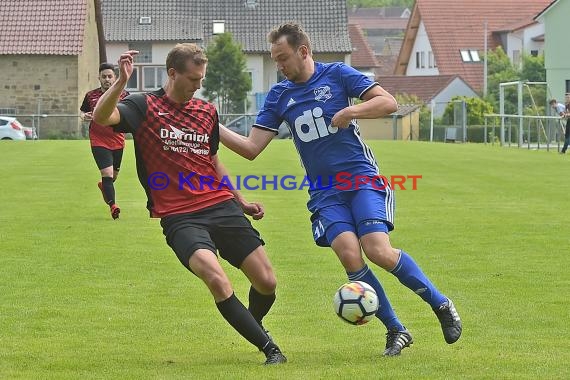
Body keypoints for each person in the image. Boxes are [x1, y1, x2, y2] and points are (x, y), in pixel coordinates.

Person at [219, 22, 462, 357]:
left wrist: (352, 110)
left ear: (304, 51)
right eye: (275, 60)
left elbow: (388, 103)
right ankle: (396, 330)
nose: (279, 66)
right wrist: (210, 123)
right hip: (325, 193)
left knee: (377, 250)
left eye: (283, 58)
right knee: (349, 253)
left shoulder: (338, 74)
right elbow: (250, 147)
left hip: (361, 180)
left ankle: (441, 305)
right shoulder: (279, 95)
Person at [92, 44, 287, 365]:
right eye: (193, 79)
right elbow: (102, 117)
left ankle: (252, 327)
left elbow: (212, 161)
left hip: (220, 205)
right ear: (172, 73)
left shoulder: (206, 112)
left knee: (266, 282)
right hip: (179, 217)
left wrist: (241, 202)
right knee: (216, 277)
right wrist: (120, 82)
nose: (198, 86)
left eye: (201, 79)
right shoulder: (144, 106)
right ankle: (271, 350)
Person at [80, 63, 130, 219]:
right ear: (99, 78)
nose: (107, 79)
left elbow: (129, 114)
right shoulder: (91, 96)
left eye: (110, 76)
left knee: (112, 177)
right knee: (107, 173)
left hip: (117, 139)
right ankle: (113, 206)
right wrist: (84, 116)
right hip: (98, 139)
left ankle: (104, 186)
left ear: (115, 78)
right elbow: (83, 112)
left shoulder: (124, 95)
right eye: (104, 77)